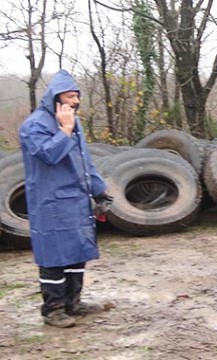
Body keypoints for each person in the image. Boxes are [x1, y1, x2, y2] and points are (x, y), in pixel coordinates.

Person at [19, 69, 113, 328]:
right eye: (70, 97)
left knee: (76, 254)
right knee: (53, 256)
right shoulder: (34, 125)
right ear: (55, 98)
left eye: (76, 96)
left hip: (76, 199)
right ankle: (53, 310)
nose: (75, 102)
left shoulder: (75, 123)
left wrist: (99, 190)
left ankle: (73, 302)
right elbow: (48, 155)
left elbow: (84, 162)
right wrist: (65, 131)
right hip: (50, 202)